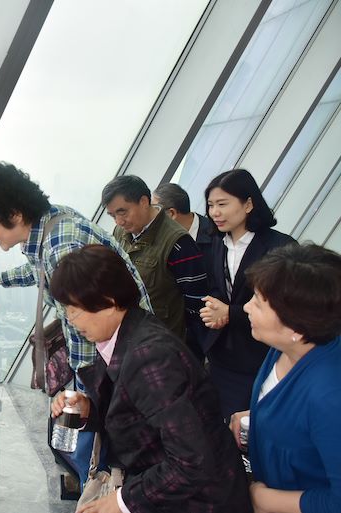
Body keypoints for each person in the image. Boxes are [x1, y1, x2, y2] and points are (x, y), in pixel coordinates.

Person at [49, 245, 251, 513]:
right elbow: (139, 418)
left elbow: (192, 461)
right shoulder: (125, 334)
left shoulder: (149, 356)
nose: (70, 320)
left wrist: (121, 501)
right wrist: (88, 410)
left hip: (200, 502)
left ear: (108, 301)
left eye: (74, 309)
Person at [0, 162, 152, 376]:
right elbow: (39, 270)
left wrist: (85, 383)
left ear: (14, 215)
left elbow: (81, 322)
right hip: (132, 340)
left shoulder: (60, 248)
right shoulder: (53, 221)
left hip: (125, 356)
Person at [230, 244, 341, 513]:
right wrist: (257, 417)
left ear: (296, 326)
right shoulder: (286, 346)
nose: (247, 307)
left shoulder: (330, 397)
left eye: (258, 303)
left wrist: (262, 499)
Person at [200, 169, 295, 418]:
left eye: (222, 204)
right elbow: (216, 287)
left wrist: (230, 313)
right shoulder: (217, 243)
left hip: (259, 354)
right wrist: (214, 309)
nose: (214, 212)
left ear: (249, 204)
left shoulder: (280, 248)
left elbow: (282, 307)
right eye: (210, 205)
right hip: (221, 353)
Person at [101, 176, 207, 356]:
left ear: (144, 202)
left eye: (122, 212)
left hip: (167, 346)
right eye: (113, 215)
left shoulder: (178, 242)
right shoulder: (120, 232)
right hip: (133, 339)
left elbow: (196, 303)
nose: (118, 221)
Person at [152, 182, 215, 271]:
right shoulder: (160, 240)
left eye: (155, 210)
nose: (151, 216)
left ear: (171, 214)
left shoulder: (216, 234)